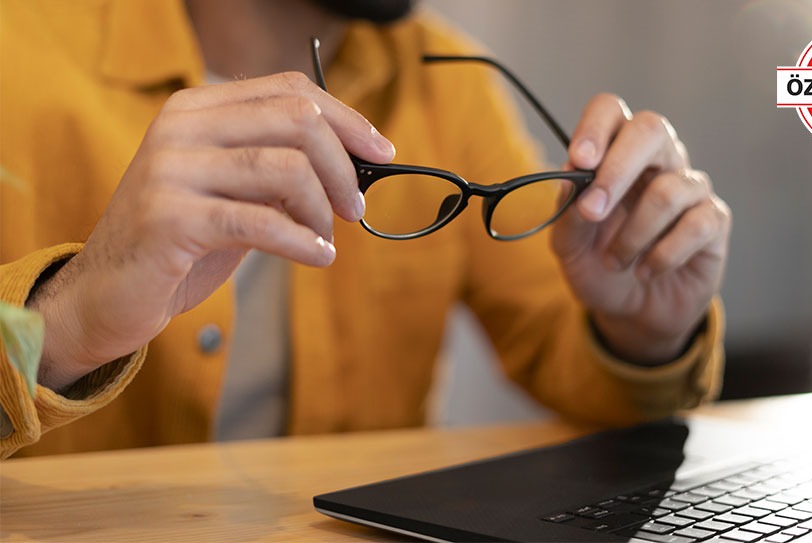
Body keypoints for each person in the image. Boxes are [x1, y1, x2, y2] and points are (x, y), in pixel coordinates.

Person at [0, 0, 730, 459]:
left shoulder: (447, 83)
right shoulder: (18, 48)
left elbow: (589, 378)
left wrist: (643, 330)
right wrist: (67, 321)